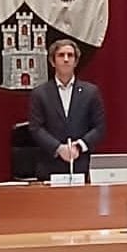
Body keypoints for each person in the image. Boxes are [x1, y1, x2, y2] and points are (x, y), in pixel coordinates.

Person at [28, 39, 106, 180]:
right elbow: (36, 128)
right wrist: (59, 148)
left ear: (76, 62)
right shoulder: (40, 93)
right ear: (52, 61)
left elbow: (99, 127)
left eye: (70, 55)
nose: (65, 59)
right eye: (61, 55)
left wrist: (80, 146)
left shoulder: (91, 92)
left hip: (81, 164)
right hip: (49, 166)